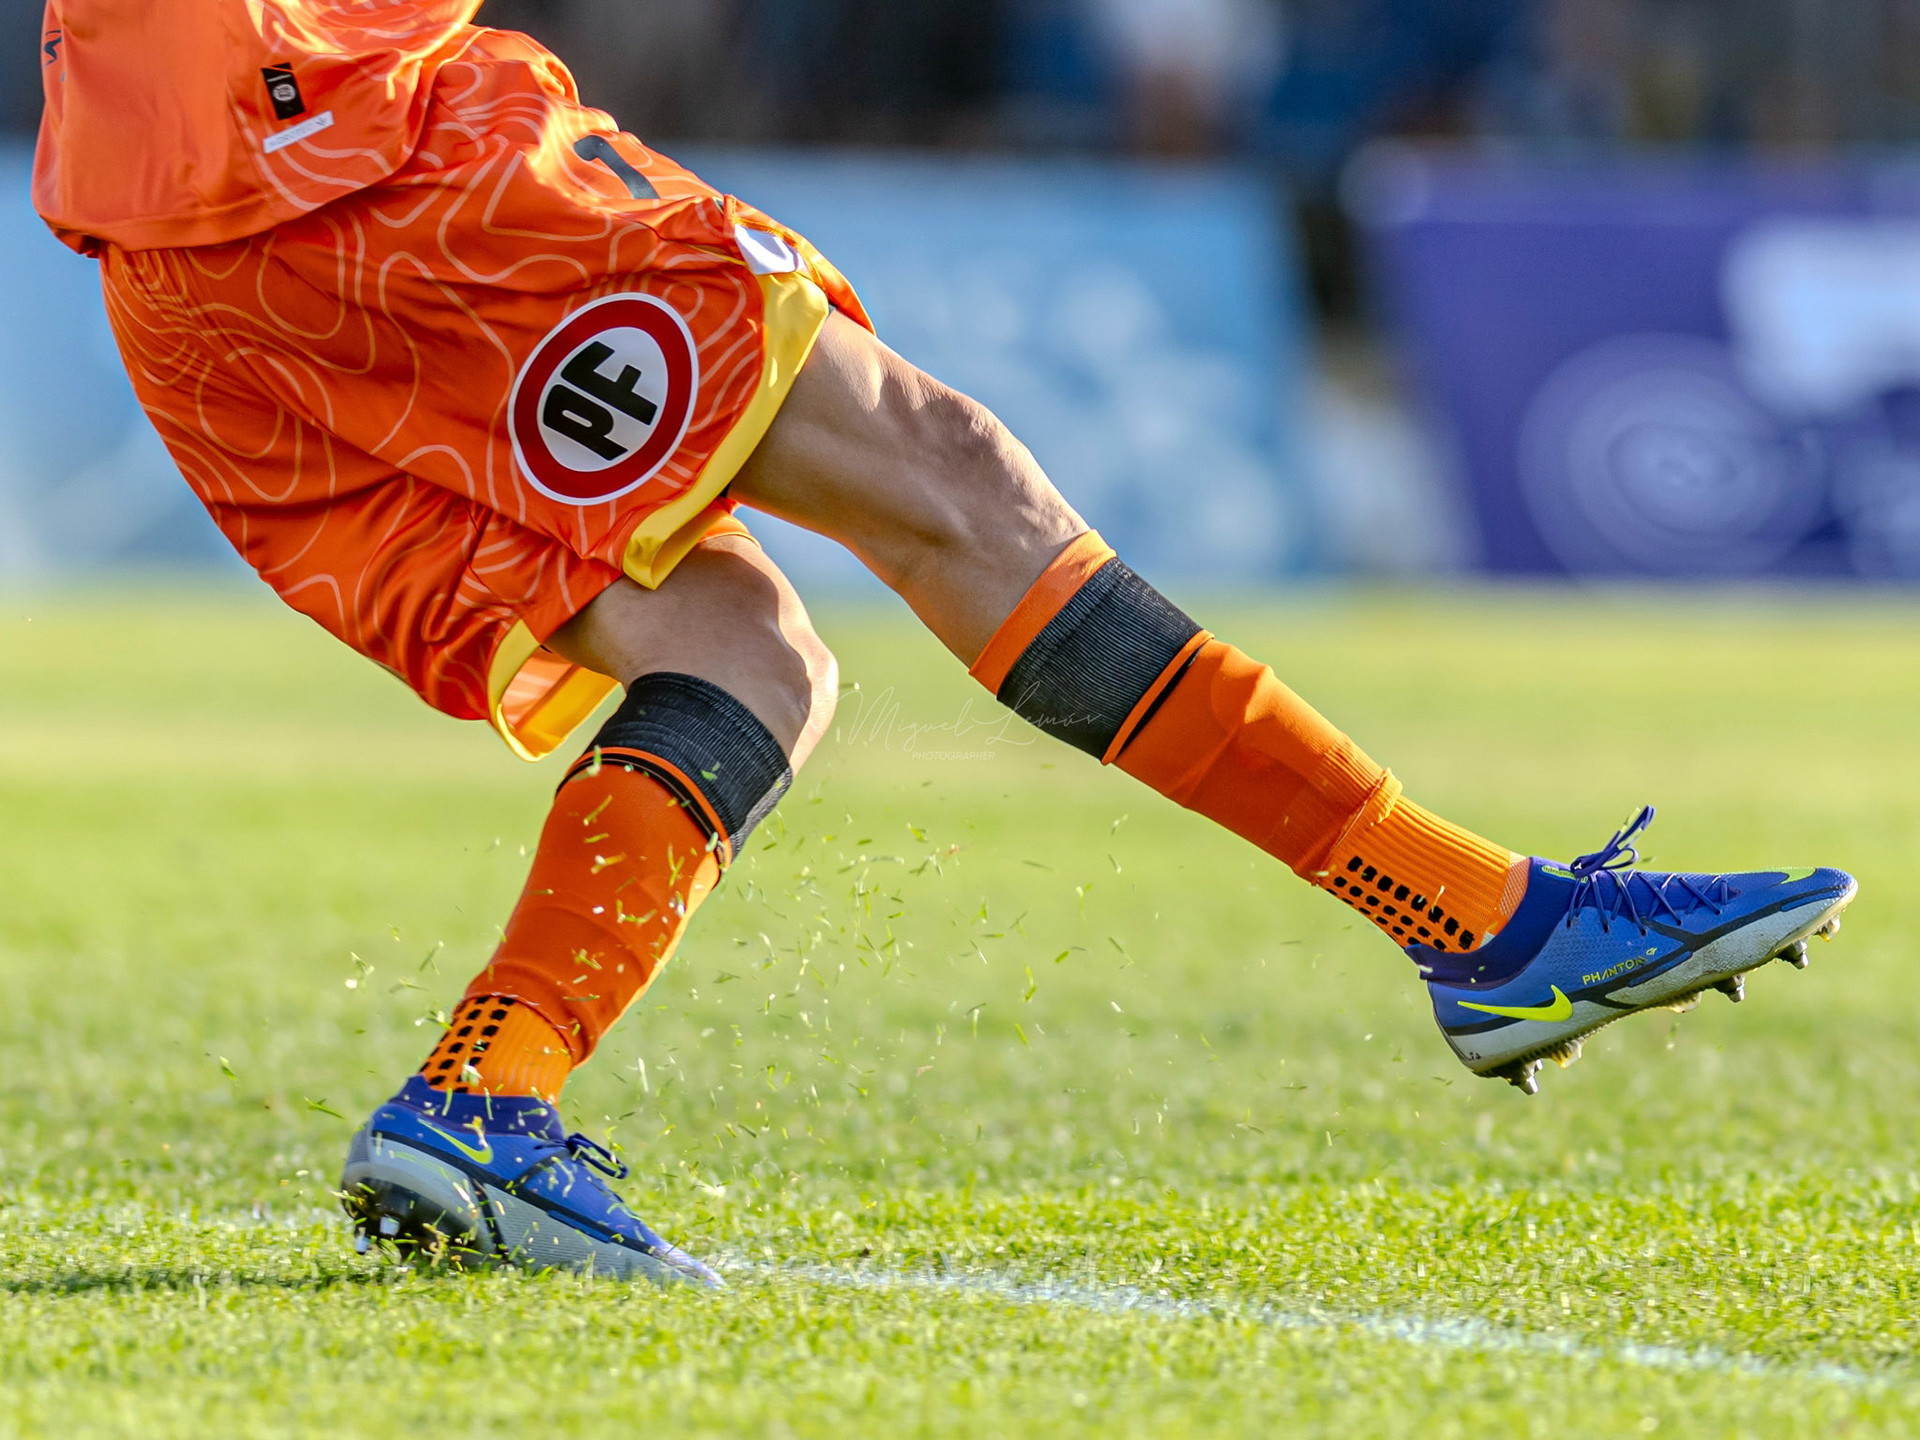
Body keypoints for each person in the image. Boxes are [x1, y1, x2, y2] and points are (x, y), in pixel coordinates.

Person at [33, 1, 1854, 1286]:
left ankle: (482, 1097)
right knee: (953, 484)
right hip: (349, 159)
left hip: (188, 272)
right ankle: (1485, 923)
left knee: (749, 656)